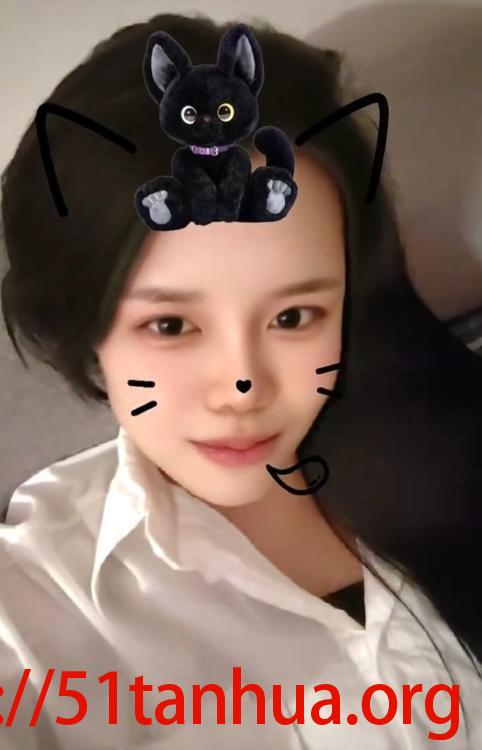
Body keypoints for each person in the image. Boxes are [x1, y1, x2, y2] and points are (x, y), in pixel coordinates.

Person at [1, 12, 481, 750]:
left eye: (293, 316)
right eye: (171, 326)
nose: (242, 385)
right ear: (87, 330)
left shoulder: (448, 439)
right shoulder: (37, 604)